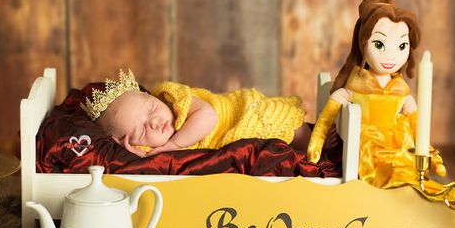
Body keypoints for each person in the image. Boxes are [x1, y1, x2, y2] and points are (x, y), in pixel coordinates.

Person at [307, 0, 446, 188]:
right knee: (380, 173)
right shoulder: (355, 85)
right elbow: (324, 121)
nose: (391, 56)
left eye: (401, 46)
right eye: (379, 44)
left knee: (406, 169)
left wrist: (433, 157)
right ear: (364, 42)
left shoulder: (401, 90)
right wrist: (316, 145)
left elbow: (418, 128)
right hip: (366, 142)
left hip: (396, 142)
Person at [81, 69, 313, 158]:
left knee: (296, 134)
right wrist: (137, 154)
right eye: (141, 130)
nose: (153, 121)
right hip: (241, 144)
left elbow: (209, 117)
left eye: (151, 108)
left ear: (153, 96)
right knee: (287, 155)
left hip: (245, 113)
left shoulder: (173, 98)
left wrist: (173, 145)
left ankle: (317, 146)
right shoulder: (152, 147)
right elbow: (141, 163)